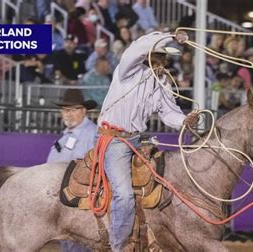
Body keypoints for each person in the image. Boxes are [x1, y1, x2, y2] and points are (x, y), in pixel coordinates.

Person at [97, 31, 199, 251]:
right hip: (114, 140)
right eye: (158, 57)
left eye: (164, 59)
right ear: (147, 57)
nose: (162, 63)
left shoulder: (162, 83)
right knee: (124, 194)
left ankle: (153, 233)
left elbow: (169, 112)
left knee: (164, 183)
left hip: (136, 140)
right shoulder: (128, 72)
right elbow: (135, 48)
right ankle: (118, 245)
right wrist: (171, 35)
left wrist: (185, 121)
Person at [47, 89, 98, 252]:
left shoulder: (92, 134)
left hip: (80, 203)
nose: (68, 114)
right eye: (65, 110)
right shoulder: (67, 135)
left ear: (83, 111)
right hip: (65, 202)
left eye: (73, 109)